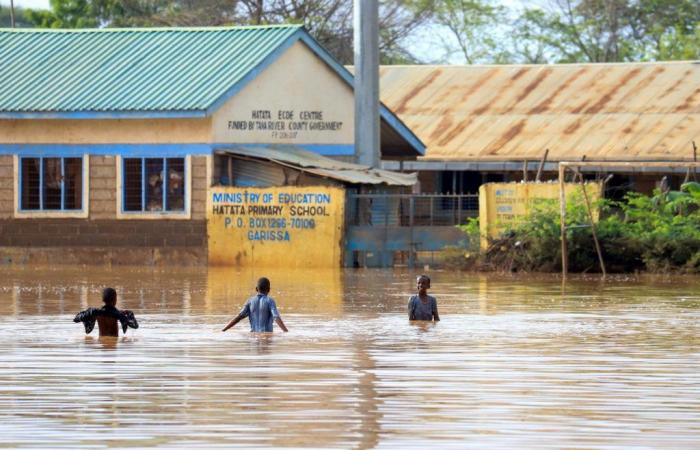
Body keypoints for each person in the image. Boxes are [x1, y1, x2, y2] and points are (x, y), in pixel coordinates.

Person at [222, 277, 289, 333]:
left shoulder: (250, 301)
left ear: (256, 289)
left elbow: (238, 317)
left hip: (253, 337)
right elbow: (276, 317)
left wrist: (224, 330)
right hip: (266, 337)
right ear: (269, 289)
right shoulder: (270, 301)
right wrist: (286, 331)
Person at [73, 287, 139, 337]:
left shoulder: (96, 313)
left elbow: (76, 319)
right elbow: (135, 326)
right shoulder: (118, 314)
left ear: (103, 299)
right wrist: (130, 314)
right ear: (115, 299)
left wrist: (89, 316)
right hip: (114, 341)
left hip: (101, 341)